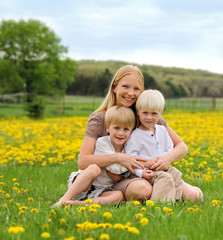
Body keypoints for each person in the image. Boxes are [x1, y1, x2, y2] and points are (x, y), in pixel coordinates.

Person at [77, 65, 196, 202]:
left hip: (150, 172)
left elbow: (182, 147)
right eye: (125, 86)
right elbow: (83, 161)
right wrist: (118, 158)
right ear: (114, 87)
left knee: (194, 196)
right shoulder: (99, 118)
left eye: (136, 89)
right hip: (115, 179)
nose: (131, 93)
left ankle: (167, 195)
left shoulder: (146, 115)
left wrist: (168, 158)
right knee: (143, 190)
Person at [108, 89, 203, 202]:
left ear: (160, 113)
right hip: (144, 173)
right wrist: (141, 172)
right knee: (165, 178)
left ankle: (175, 199)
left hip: (161, 169)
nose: (149, 117)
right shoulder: (135, 135)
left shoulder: (162, 130)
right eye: (145, 113)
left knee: (175, 173)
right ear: (138, 112)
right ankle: (160, 205)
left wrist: (165, 160)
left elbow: (169, 148)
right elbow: (132, 160)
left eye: (154, 113)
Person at [53, 106, 136, 206]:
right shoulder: (102, 142)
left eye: (126, 129)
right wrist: (126, 161)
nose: (121, 133)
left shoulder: (129, 147)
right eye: (116, 128)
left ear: (132, 131)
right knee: (94, 168)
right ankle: (64, 199)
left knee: (119, 196)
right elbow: (113, 169)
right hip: (83, 184)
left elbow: (123, 171)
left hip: (101, 190)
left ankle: (78, 204)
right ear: (107, 128)